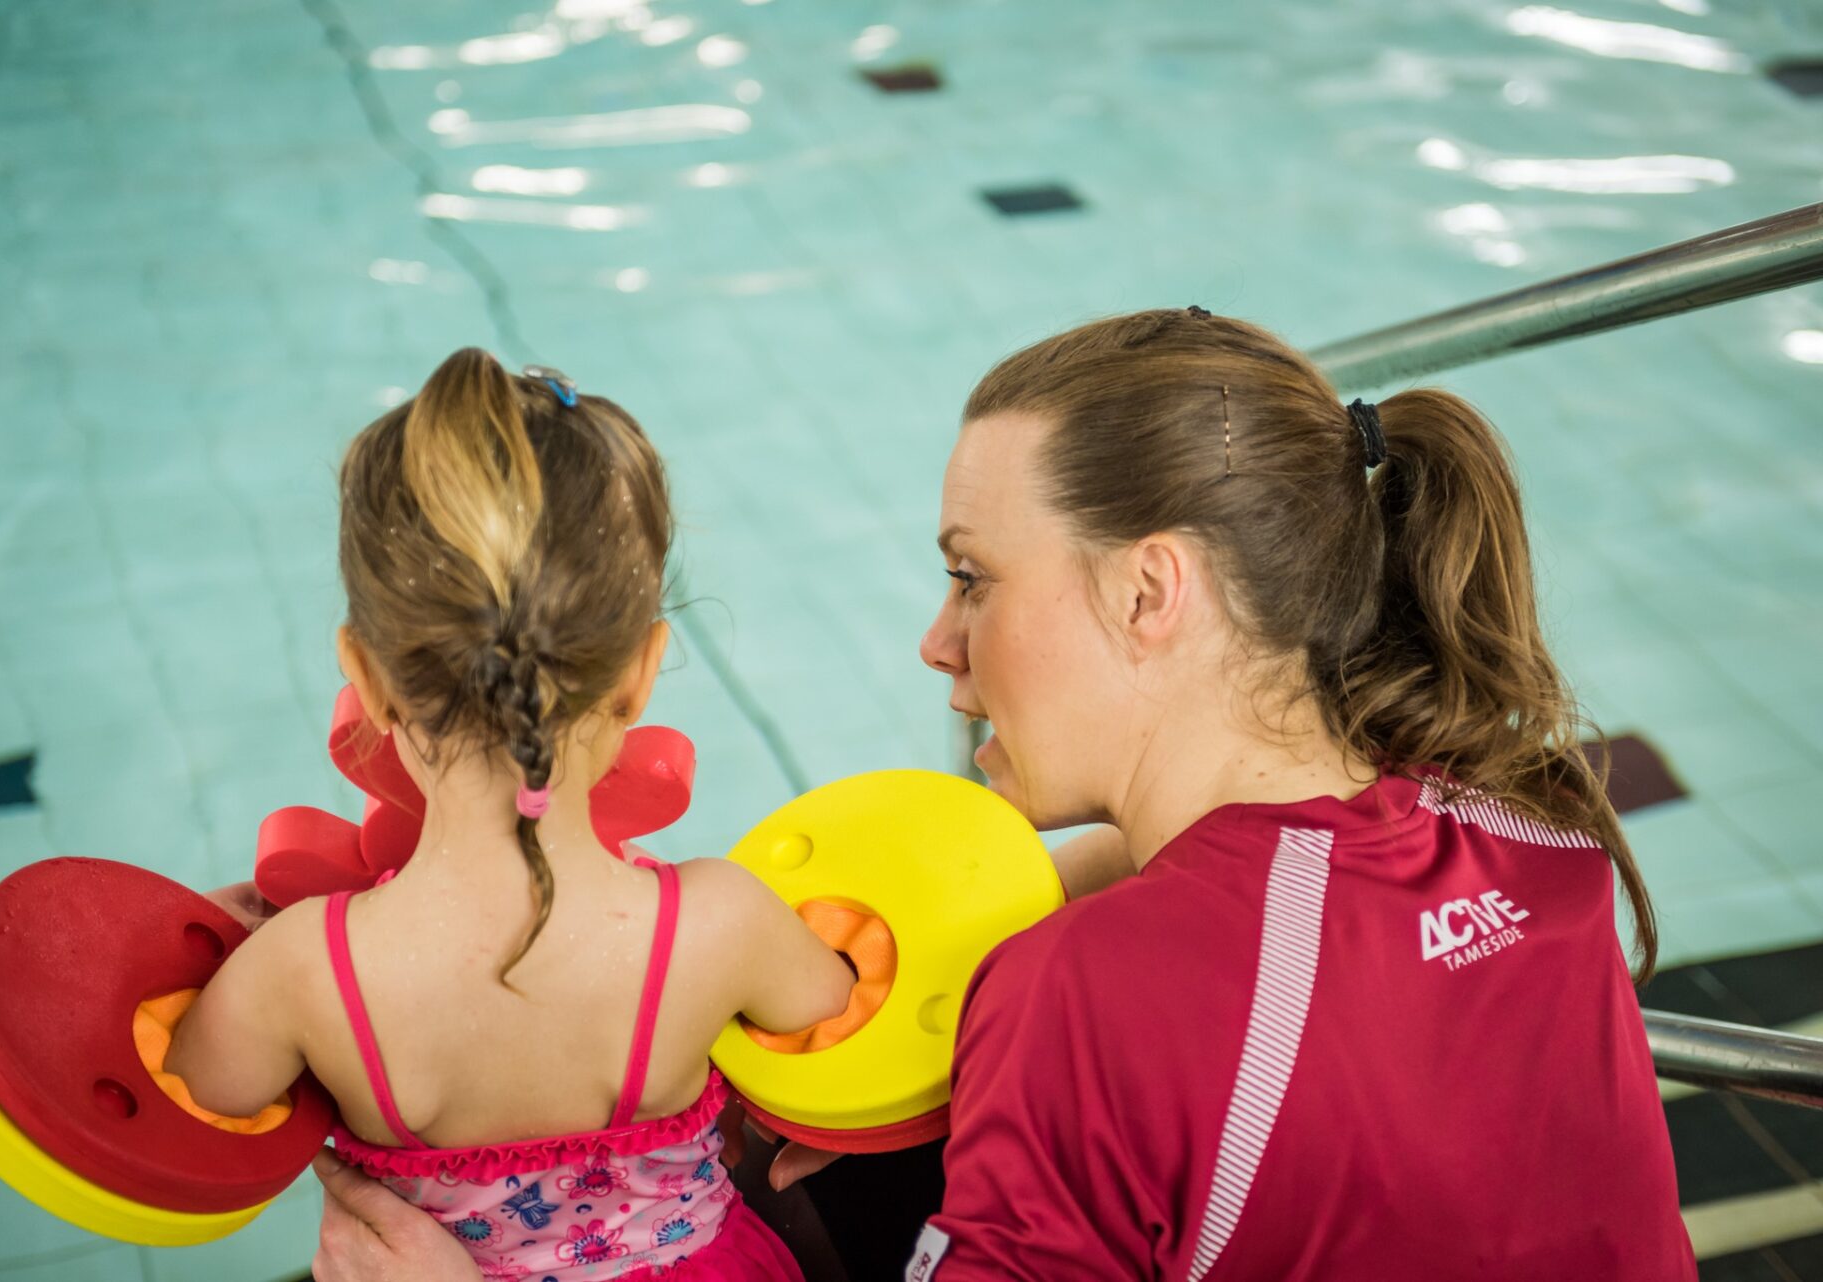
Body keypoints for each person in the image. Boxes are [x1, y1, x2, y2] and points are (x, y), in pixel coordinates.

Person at [306, 309, 1695, 1281]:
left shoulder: (1093, 989)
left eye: (973, 574)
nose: (938, 639)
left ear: (1152, 590)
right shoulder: (1524, 820)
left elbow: (1181, 1000)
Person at [168, 349, 855, 1282]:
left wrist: (214, 951)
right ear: (642, 671)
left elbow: (192, 1101)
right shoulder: (717, 924)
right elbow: (844, 1018)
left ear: (365, 677)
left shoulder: (302, 973)